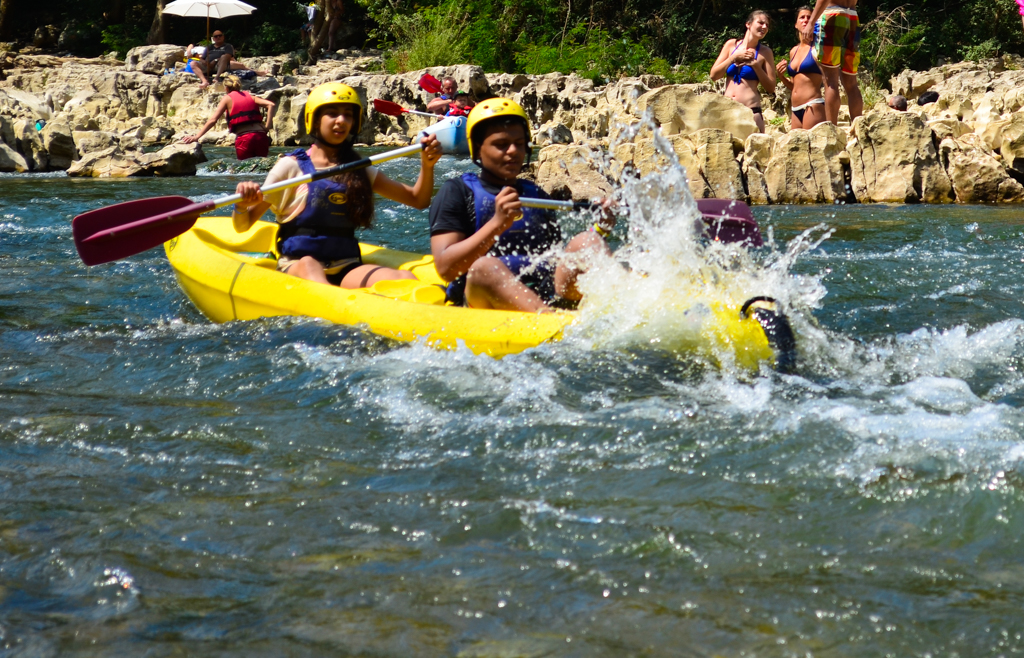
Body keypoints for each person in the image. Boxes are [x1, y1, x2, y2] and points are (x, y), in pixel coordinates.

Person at [232, 83, 442, 289]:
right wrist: (242, 205)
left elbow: (418, 200)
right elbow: (243, 225)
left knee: (402, 277)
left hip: (345, 266)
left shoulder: (360, 169)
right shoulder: (290, 168)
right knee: (309, 265)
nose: (341, 121)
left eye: (348, 115)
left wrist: (428, 165)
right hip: (297, 265)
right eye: (332, 113)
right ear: (313, 120)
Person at [428, 98, 612, 312]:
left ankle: (637, 304)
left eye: (519, 143)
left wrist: (600, 228)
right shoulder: (457, 191)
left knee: (586, 241)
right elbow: (445, 268)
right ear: (478, 149)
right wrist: (496, 224)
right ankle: (551, 324)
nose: (513, 151)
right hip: (483, 299)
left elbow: (557, 257)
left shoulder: (537, 195)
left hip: (545, 293)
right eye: (501, 144)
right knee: (484, 267)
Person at [710, 10, 777, 133]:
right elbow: (713, 75)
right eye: (761, 23)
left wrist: (756, 67)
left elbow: (771, 88)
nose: (764, 27)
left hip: (751, 111)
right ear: (748, 24)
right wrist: (733, 58)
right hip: (727, 111)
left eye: (767, 25)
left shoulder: (765, 52)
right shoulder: (731, 45)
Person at [181, 76, 276, 160]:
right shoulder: (251, 96)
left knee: (245, 172)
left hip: (245, 139)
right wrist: (267, 127)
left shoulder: (227, 98)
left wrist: (197, 137)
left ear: (226, 88)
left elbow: (213, 120)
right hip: (261, 137)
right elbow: (271, 104)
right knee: (260, 167)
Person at [802, 0, 863, 125]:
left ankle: (832, 132)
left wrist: (811, 22)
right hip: (852, 16)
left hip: (832, 15)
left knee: (831, 82)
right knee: (852, 83)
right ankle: (859, 130)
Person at [776, 6, 826, 130]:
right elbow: (794, 86)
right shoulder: (793, 51)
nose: (805, 20)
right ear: (796, 24)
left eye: (809, 18)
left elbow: (829, 79)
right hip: (795, 108)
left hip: (812, 105)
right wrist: (781, 76)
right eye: (802, 17)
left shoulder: (817, 48)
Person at [191, 31, 268, 89]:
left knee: (230, 60)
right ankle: (204, 81)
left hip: (221, 65)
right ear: (213, 38)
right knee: (193, 63)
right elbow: (201, 58)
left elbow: (228, 56)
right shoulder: (209, 47)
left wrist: (215, 60)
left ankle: (217, 78)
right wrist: (205, 62)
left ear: (223, 37)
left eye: (219, 36)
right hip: (207, 65)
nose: (218, 37)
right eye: (216, 36)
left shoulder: (227, 46)